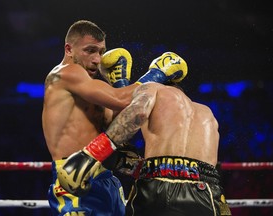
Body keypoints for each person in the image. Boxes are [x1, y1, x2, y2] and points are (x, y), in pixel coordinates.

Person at [42, 19, 187, 216]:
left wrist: (120, 82)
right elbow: (123, 99)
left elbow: (120, 121)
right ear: (69, 49)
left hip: (104, 176)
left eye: (101, 52)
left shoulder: (88, 86)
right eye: (90, 50)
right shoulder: (66, 73)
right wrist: (157, 74)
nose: (97, 59)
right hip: (75, 177)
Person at [58, 66, 232, 215]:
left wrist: (93, 153)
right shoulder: (207, 114)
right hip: (207, 188)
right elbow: (195, 168)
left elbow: (137, 112)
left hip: (158, 184)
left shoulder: (154, 88)